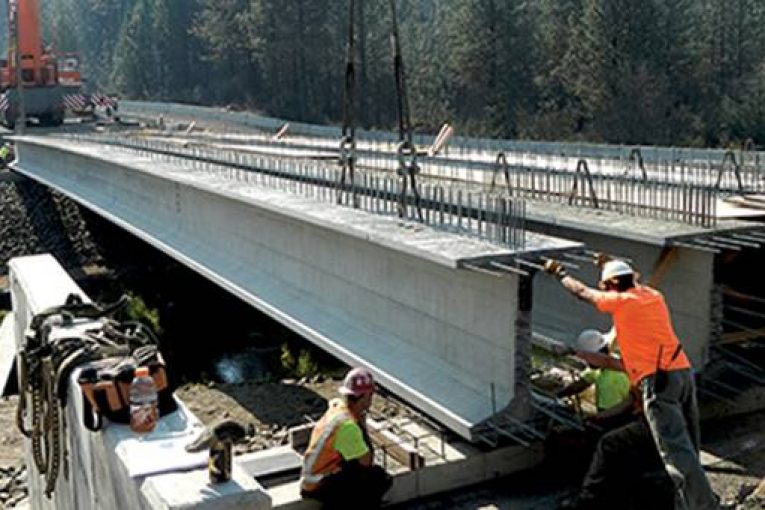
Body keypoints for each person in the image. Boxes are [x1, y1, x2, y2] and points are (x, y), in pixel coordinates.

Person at [544, 256, 718, 510]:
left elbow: (581, 292)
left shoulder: (622, 302)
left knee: (675, 452)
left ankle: (703, 507)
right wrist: (607, 263)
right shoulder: (652, 295)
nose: (604, 291)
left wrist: (559, 273)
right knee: (689, 444)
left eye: (606, 286)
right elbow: (632, 276)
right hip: (682, 372)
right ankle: (693, 502)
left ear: (613, 284)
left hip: (658, 381)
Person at [300, 367, 392, 509]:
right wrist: (362, 424)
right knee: (377, 479)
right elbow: (367, 461)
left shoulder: (338, 408)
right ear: (364, 396)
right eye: (370, 395)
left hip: (314, 476)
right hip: (318, 483)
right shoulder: (348, 427)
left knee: (361, 474)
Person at [557, 329, 632, 429]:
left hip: (619, 423)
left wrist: (591, 419)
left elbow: (609, 416)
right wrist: (559, 394)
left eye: (587, 358)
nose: (586, 362)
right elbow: (583, 382)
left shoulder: (610, 382)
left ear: (594, 356)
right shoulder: (609, 363)